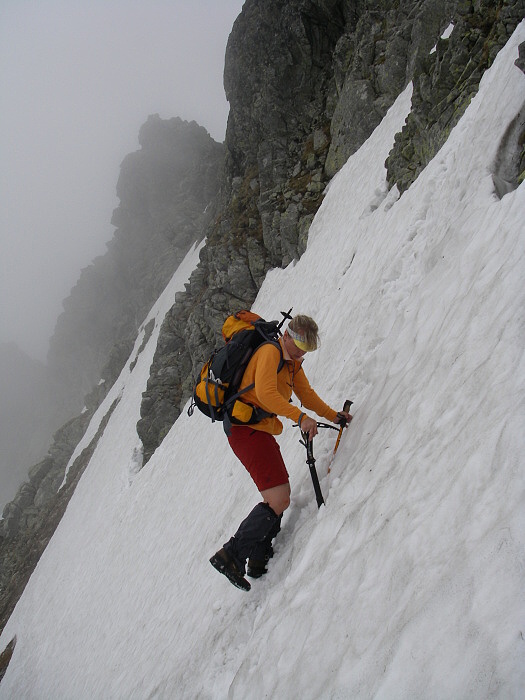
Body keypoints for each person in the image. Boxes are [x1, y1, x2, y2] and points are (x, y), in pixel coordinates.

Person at [210, 314, 352, 591]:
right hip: (245, 431)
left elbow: (307, 395)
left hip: (257, 430)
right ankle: (230, 556)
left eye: (307, 348)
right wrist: (300, 418)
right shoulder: (269, 352)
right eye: (299, 343)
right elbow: (265, 395)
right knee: (278, 498)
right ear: (286, 335)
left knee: (278, 495)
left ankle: (258, 561)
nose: (301, 352)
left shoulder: (291, 365)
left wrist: (335, 416)